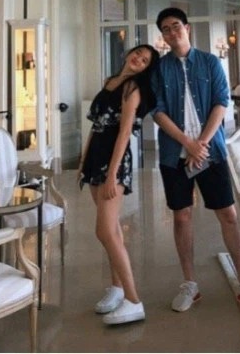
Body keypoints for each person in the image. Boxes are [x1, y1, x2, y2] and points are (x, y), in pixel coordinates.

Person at [152, 7, 240, 314]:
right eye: (165, 29)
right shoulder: (159, 69)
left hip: (210, 152)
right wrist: (187, 143)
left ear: (187, 28)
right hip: (174, 155)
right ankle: (190, 284)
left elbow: (221, 101)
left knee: (228, 214)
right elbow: (158, 111)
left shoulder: (210, 62)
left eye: (176, 26)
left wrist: (201, 143)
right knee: (181, 217)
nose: (172, 32)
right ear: (162, 36)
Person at [79, 43, 160, 325]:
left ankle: (134, 300)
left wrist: (112, 173)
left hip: (114, 160)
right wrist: (83, 160)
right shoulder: (110, 81)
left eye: (145, 60)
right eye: (138, 53)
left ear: (146, 68)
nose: (139, 59)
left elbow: (124, 132)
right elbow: (96, 126)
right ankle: (116, 288)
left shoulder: (132, 89)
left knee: (105, 231)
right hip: (95, 157)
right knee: (111, 228)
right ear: (128, 54)